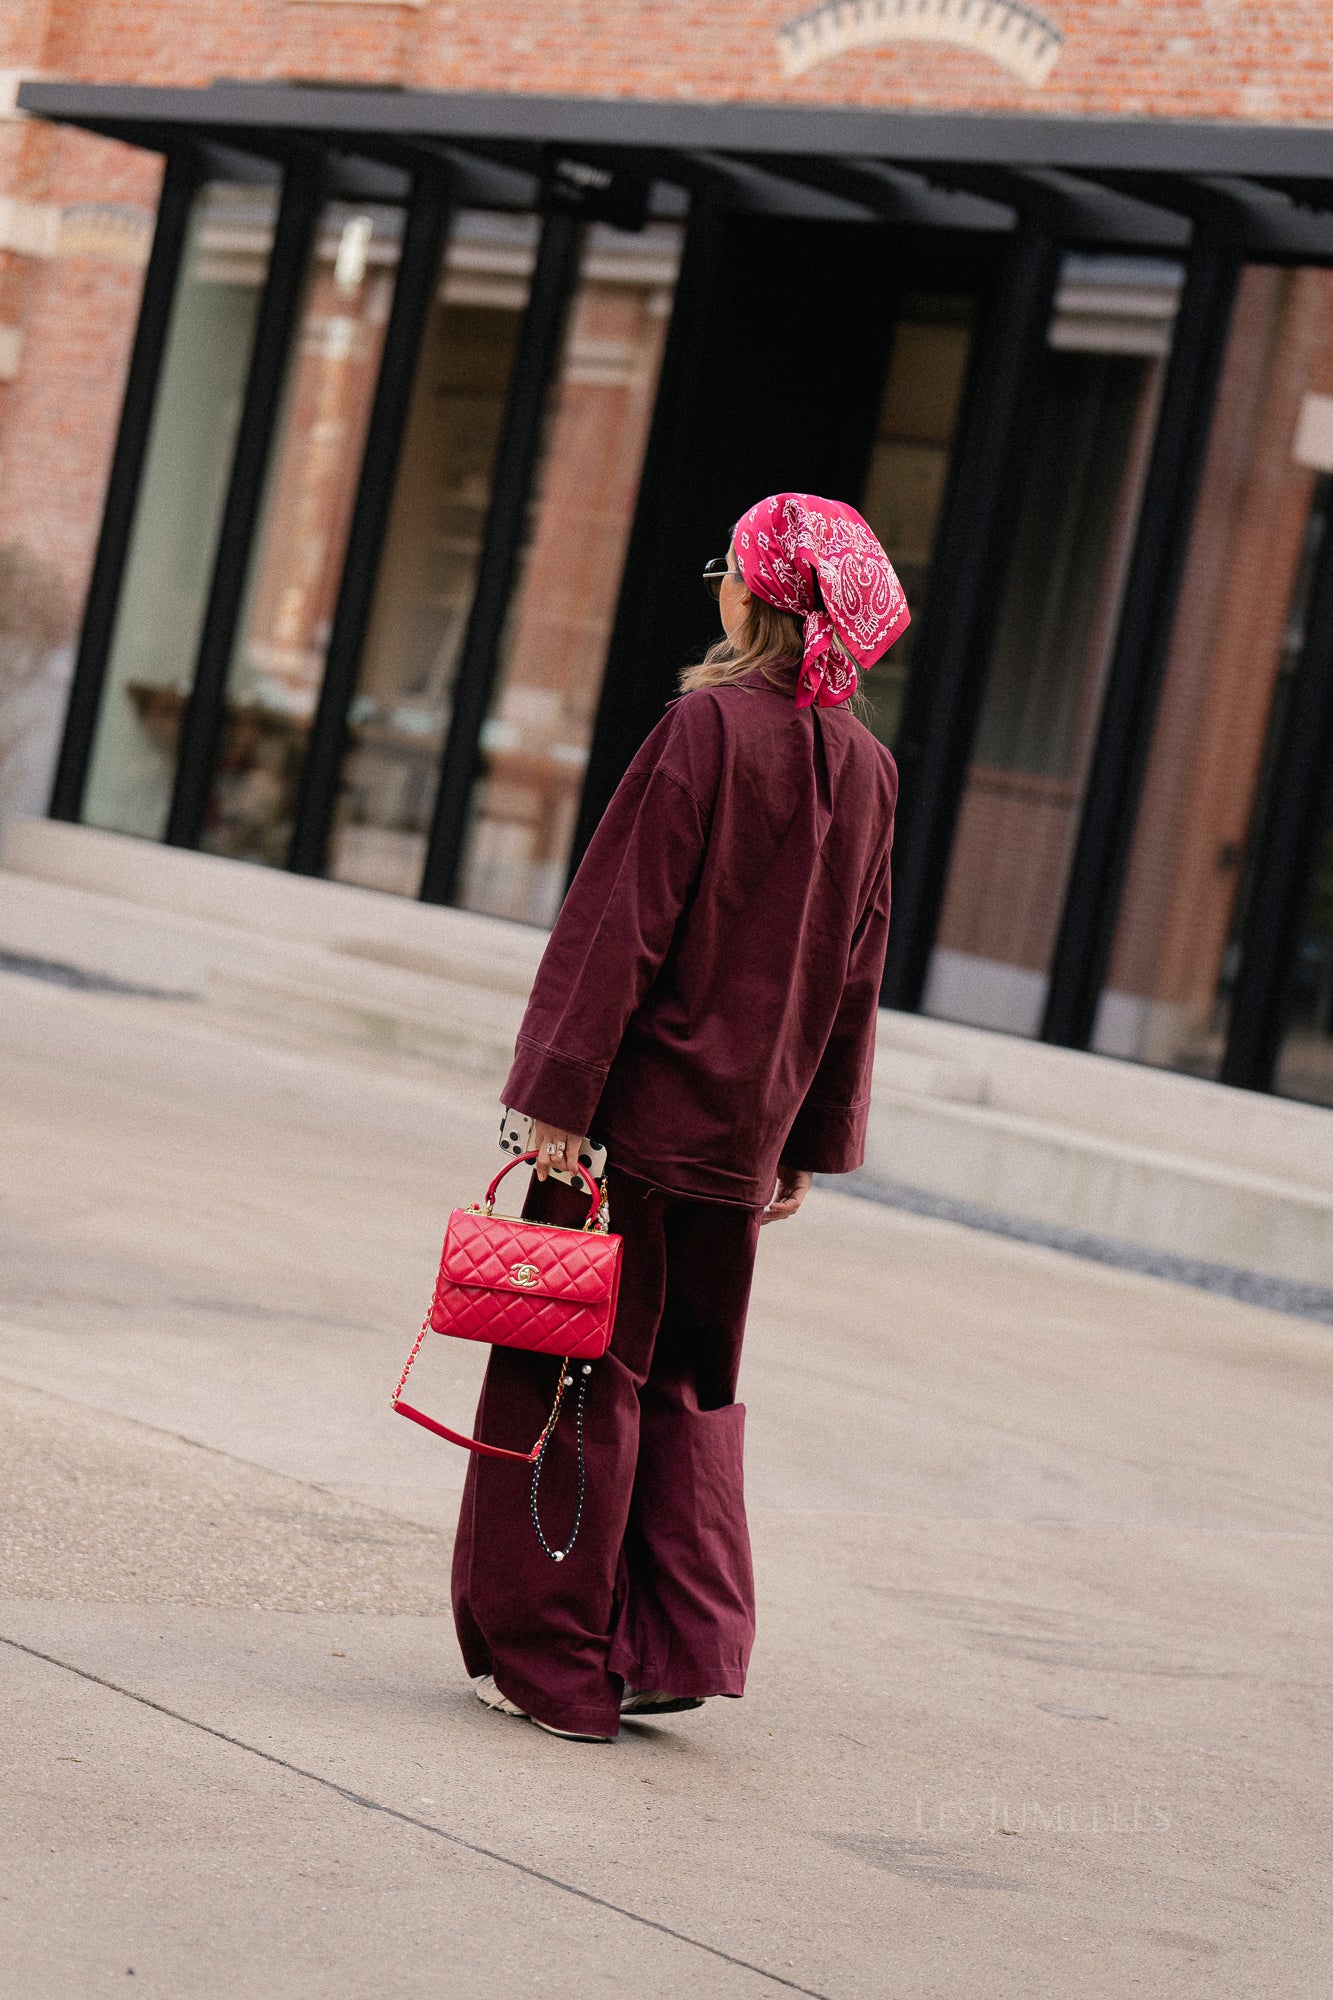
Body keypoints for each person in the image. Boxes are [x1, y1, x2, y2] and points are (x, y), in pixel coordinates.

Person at [453, 492, 908, 1741]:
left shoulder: (704, 729)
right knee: (687, 1389)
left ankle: (560, 1665)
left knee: (573, 1382)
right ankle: (674, 1643)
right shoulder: (868, 769)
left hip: (627, 1132)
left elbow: (621, 921)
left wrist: (555, 1092)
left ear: (756, 596)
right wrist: (813, 1139)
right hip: (740, 1145)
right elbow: (854, 974)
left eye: (726, 567)